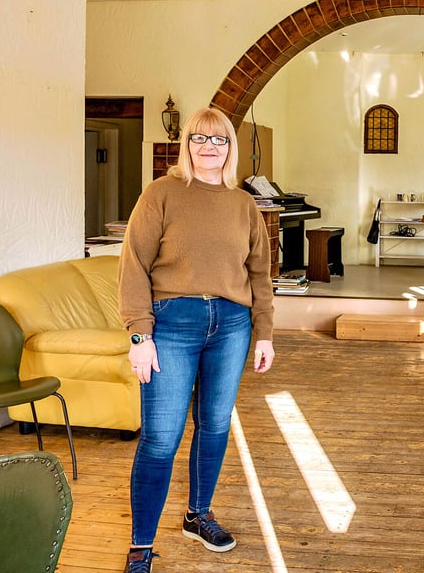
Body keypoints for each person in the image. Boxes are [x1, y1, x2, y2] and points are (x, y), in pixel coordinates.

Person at [118, 106, 276, 573]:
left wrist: (264, 332)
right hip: (172, 324)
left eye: (219, 139)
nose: (209, 147)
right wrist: (138, 334)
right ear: (185, 144)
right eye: (199, 139)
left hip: (232, 325)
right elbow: (133, 266)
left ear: (231, 147)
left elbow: (260, 275)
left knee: (214, 425)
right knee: (161, 438)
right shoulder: (160, 194)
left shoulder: (245, 204)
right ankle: (141, 546)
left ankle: (197, 514)